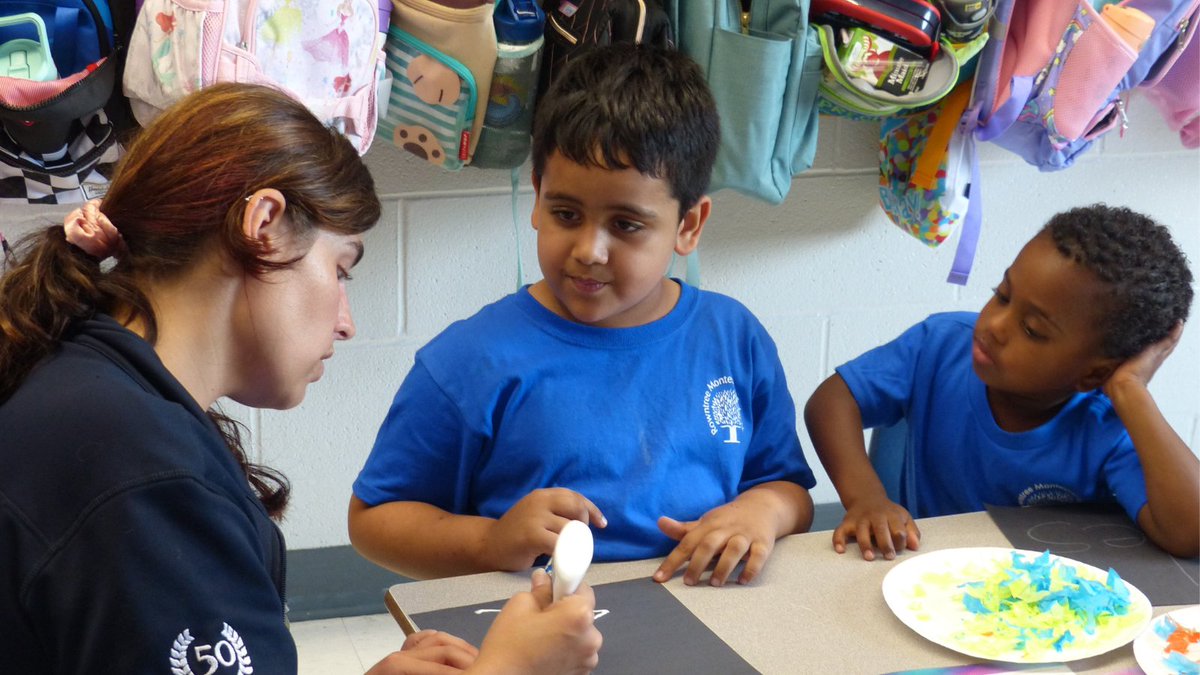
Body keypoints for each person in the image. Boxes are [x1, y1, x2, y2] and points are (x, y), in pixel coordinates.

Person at [0, 83, 601, 675]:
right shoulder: (139, 474)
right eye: (341, 270)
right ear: (263, 224)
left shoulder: (93, 391)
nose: (347, 324)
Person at [348, 44, 817, 588]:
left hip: (709, 620)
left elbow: (786, 488)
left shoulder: (735, 338)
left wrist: (763, 512)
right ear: (537, 196)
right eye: (566, 214)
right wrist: (491, 543)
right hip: (533, 636)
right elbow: (373, 522)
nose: (590, 250)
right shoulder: (470, 360)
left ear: (689, 225)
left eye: (626, 225)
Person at [805, 204, 1198, 561]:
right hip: (922, 573)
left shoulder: (1107, 425)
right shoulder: (940, 345)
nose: (993, 326)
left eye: (1032, 330)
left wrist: (1131, 390)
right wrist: (866, 498)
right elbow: (832, 401)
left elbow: (1189, 534)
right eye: (1002, 295)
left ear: (1093, 374)